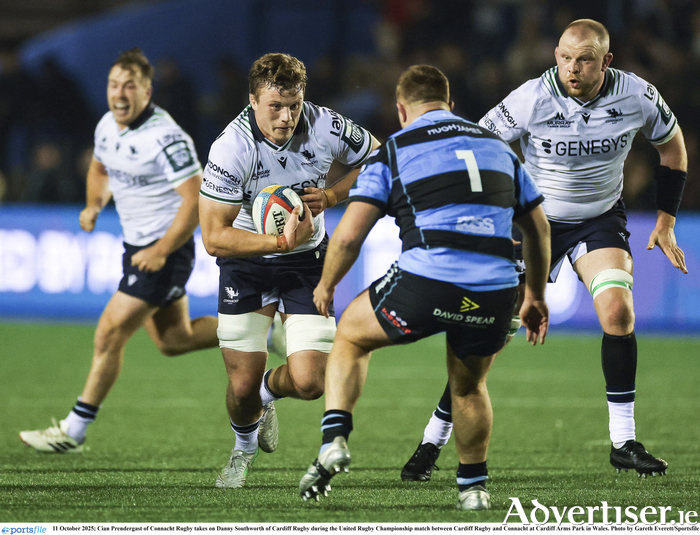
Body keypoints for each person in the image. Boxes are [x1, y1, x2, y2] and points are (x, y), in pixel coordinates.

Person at [402, 18, 687, 482]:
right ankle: (431, 441)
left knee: (618, 313)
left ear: (606, 62)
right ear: (555, 55)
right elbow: (478, 143)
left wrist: (667, 219)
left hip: (598, 220)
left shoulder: (636, 95)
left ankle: (623, 442)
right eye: (565, 57)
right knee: (487, 339)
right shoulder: (532, 97)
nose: (572, 68)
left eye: (585, 59)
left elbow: (672, 148)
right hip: (533, 223)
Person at [298, 65, 551, 510]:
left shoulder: (395, 149)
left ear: (401, 111)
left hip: (428, 280)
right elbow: (538, 229)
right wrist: (534, 296)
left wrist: (326, 285)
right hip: (495, 287)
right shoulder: (497, 146)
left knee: (352, 337)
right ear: (450, 105)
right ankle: (473, 489)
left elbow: (350, 235)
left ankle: (334, 440)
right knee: (469, 388)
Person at [19, 48, 219, 453]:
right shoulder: (108, 126)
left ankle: (73, 430)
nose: (120, 93)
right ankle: (262, 330)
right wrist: (94, 205)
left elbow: (197, 198)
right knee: (174, 340)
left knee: (109, 331)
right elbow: (99, 168)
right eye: (114, 84)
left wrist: (162, 250)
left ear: (147, 91)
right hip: (138, 248)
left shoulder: (166, 136)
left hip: (166, 251)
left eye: (130, 85)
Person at [198, 53, 380, 488]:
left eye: (293, 105)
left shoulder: (324, 124)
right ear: (252, 100)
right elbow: (213, 238)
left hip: (307, 262)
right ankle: (242, 451)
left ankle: (267, 393)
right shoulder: (231, 147)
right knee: (238, 390)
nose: (285, 117)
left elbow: (382, 157)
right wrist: (279, 241)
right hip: (246, 266)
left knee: (311, 381)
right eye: (274, 106)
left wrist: (334, 196)